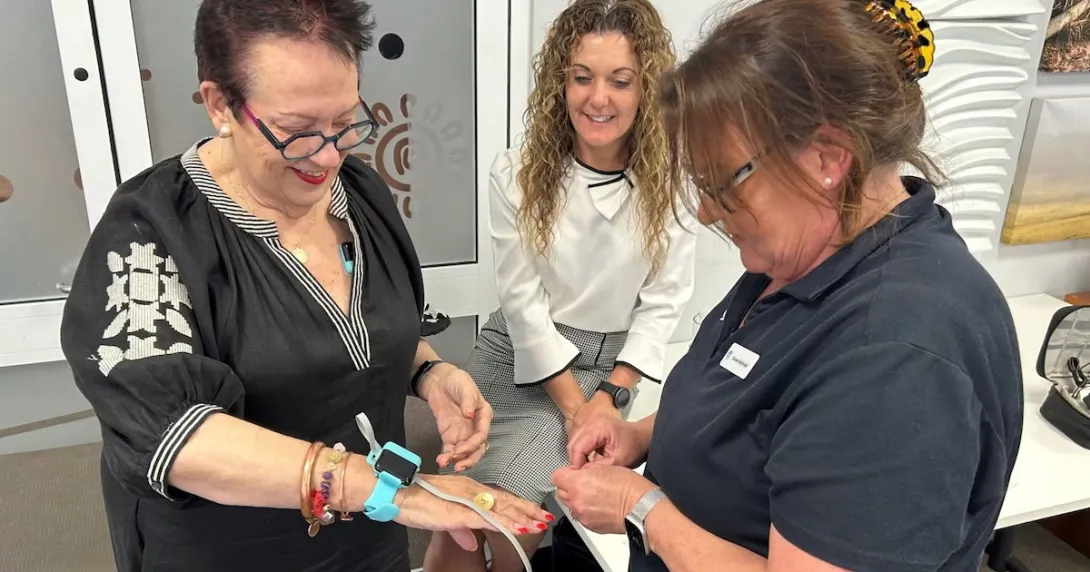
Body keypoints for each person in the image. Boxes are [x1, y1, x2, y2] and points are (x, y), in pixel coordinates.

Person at [59, 1, 550, 571]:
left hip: (369, 540)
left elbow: (372, 326)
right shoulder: (149, 231)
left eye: (345, 124)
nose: (327, 155)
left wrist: (429, 373)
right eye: (297, 132)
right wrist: (390, 493)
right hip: (229, 552)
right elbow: (174, 437)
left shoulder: (360, 193)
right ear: (220, 105)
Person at [552, 0, 1024, 570]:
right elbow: (760, 410)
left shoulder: (895, 358)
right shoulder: (804, 259)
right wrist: (647, 437)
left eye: (723, 185)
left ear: (826, 158)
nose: (706, 213)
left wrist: (641, 506)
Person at [424, 1, 697, 570]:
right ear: (560, 82)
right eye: (582, 78)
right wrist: (578, 410)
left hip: (606, 370)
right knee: (458, 511)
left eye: (620, 81)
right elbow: (522, 302)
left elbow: (664, 300)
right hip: (519, 351)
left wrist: (608, 398)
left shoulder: (672, 179)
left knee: (507, 517)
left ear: (645, 88)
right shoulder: (516, 172)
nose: (598, 99)